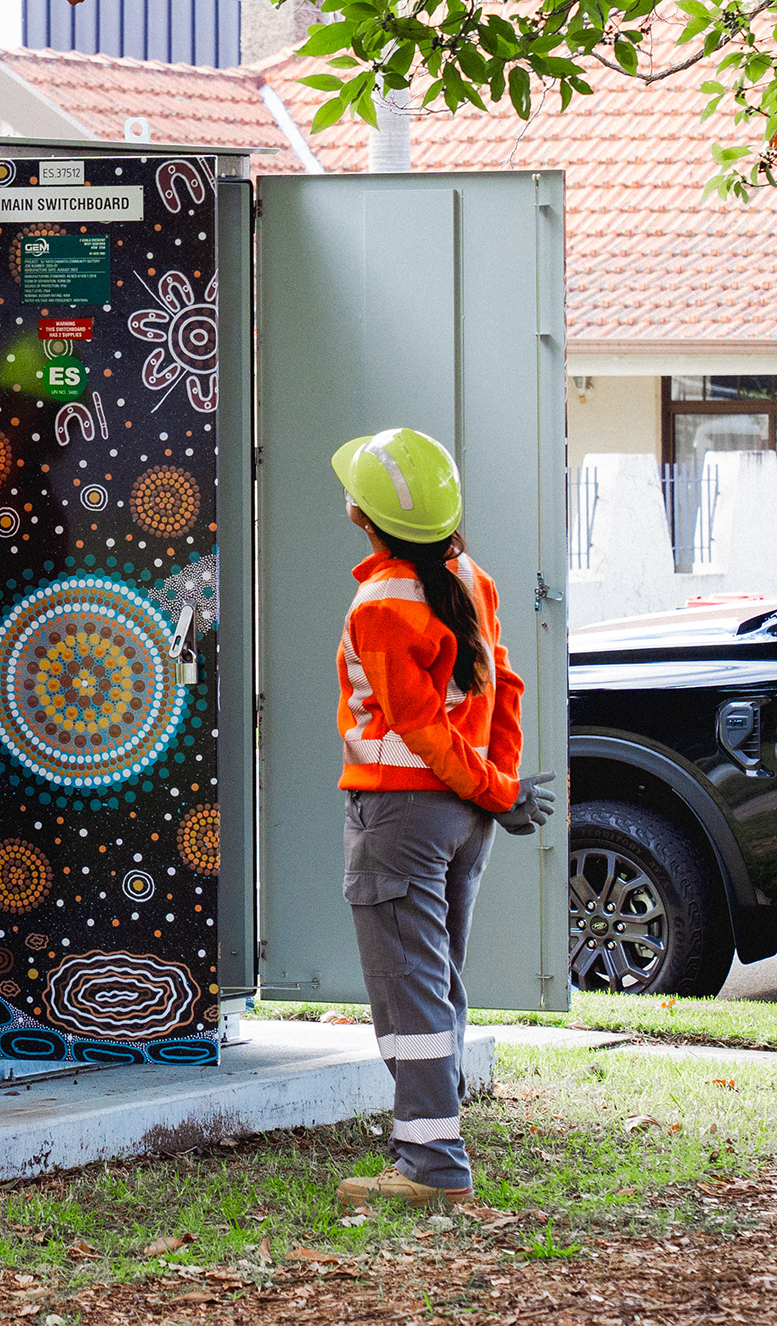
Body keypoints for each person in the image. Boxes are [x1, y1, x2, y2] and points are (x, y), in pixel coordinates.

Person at [329, 428, 556, 1210]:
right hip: (464, 819)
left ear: (363, 515)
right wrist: (499, 788)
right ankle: (429, 1131)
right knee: (436, 980)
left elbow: (419, 728)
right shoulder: (471, 576)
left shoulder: (381, 601)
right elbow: (507, 688)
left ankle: (431, 1163)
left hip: (399, 813)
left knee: (410, 989)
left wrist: (491, 788)